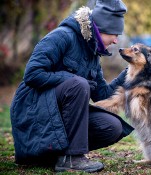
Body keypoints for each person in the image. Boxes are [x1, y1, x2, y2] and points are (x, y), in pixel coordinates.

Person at [10, 0, 133, 173]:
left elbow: (102, 95)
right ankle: (73, 158)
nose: (115, 40)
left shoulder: (92, 53)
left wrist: (130, 73)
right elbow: (32, 74)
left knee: (112, 127)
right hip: (33, 113)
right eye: (114, 33)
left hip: (57, 118)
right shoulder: (62, 36)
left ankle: (56, 156)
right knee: (78, 84)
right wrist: (73, 79)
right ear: (101, 28)